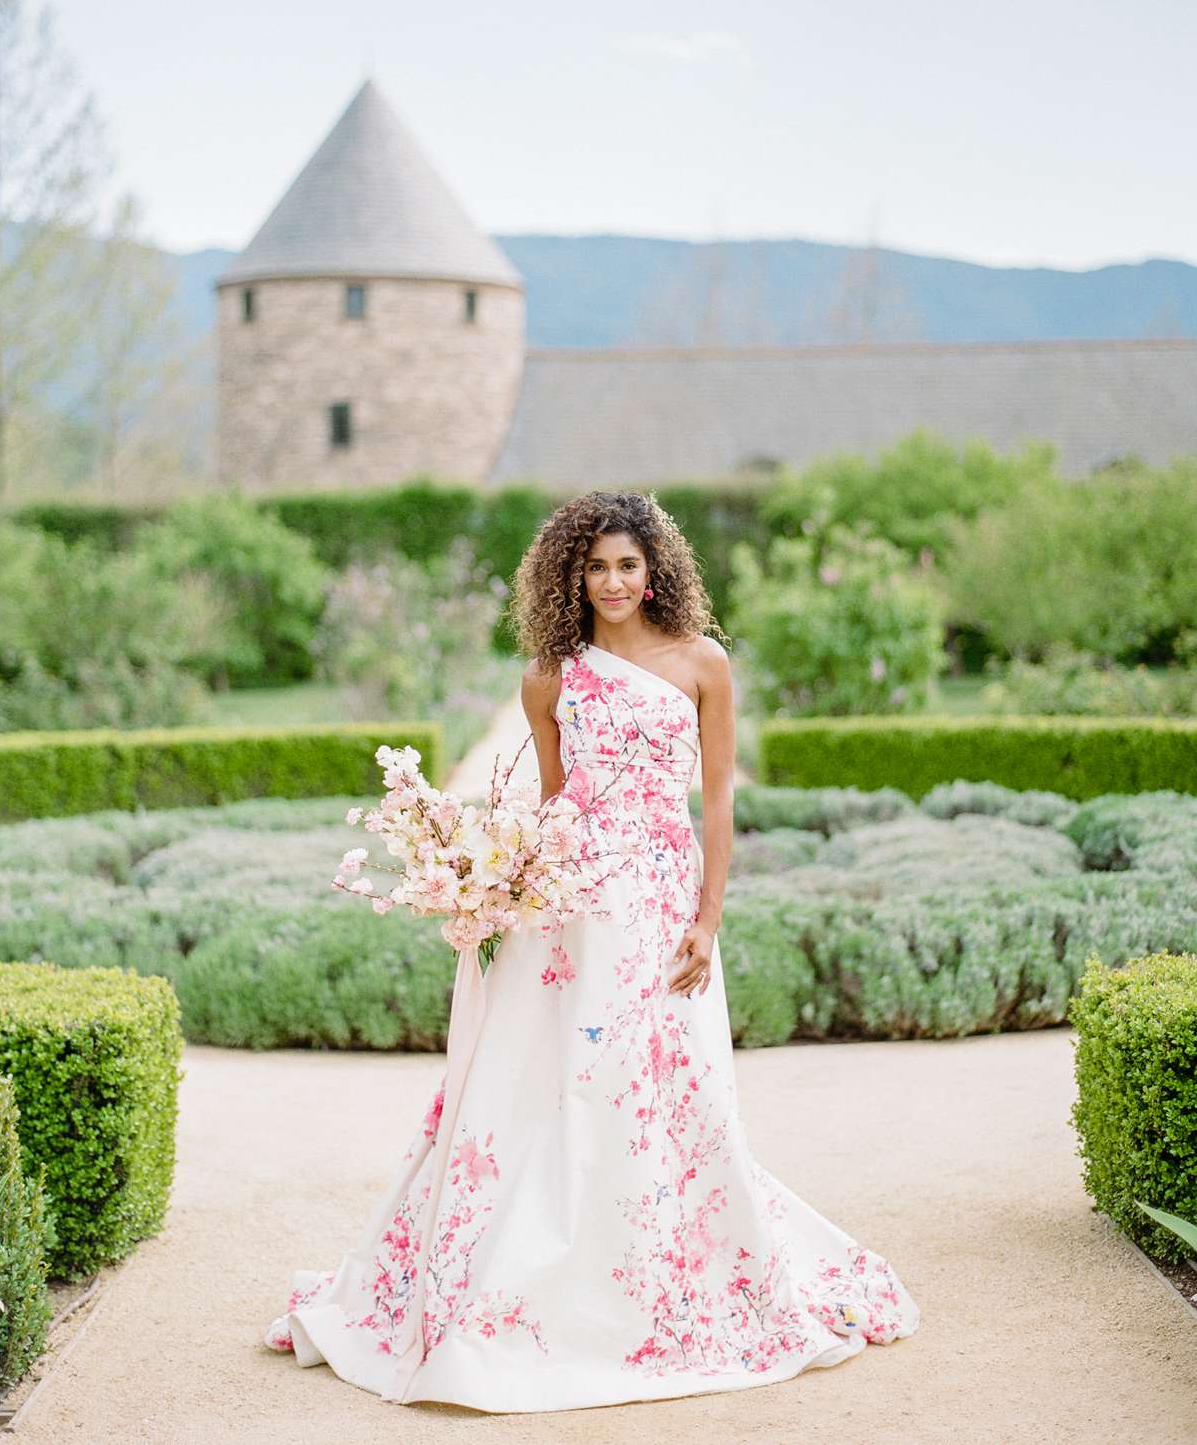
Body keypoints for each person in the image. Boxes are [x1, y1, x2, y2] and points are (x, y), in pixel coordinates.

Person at [262, 489, 919, 1411]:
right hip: (568, 906)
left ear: (656, 572)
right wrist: (491, 880)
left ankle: (661, 1271)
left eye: (627, 565)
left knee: (663, 1088)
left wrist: (708, 914)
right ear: (571, 573)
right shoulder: (549, 676)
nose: (612, 581)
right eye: (596, 566)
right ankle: (520, 1278)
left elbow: (718, 802)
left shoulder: (702, 664)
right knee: (539, 1081)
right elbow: (557, 799)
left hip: (659, 903)